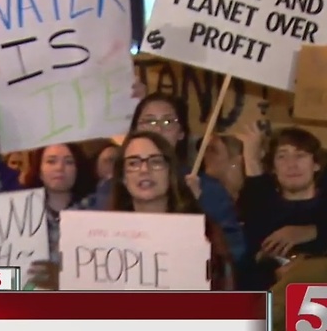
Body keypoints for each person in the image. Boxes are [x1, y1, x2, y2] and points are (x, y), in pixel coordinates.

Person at [93, 93, 246, 264]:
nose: (158, 129)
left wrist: (190, 209)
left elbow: (233, 255)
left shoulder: (209, 189)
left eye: (167, 122)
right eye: (149, 121)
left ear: (181, 132)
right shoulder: (110, 188)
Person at [107, 131, 232, 290]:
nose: (144, 169)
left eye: (156, 162)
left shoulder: (205, 231)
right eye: (133, 163)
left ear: (170, 172)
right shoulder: (105, 235)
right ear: (122, 177)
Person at [237, 124, 327, 290]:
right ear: (273, 168)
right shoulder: (262, 206)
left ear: (316, 164)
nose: (291, 164)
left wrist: (311, 231)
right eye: (282, 157)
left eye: (300, 155)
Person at [22, 143, 93, 264]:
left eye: (69, 162)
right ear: (39, 170)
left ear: (78, 169)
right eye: (51, 161)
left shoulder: (94, 211)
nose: (59, 168)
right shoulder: (22, 213)